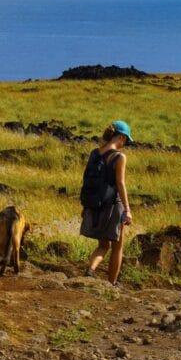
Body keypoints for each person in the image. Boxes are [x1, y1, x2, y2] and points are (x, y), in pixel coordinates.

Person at [81, 120, 134, 285]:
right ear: (121, 137)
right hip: (113, 205)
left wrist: (85, 206)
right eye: (125, 139)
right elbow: (120, 184)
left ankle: (90, 270)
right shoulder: (119, 157)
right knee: (117, 247)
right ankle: (112, 284)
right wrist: (127, 209)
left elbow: (87, 180)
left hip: (95, 204)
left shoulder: (94, 153)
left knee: (103, 245)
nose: (125, 143)